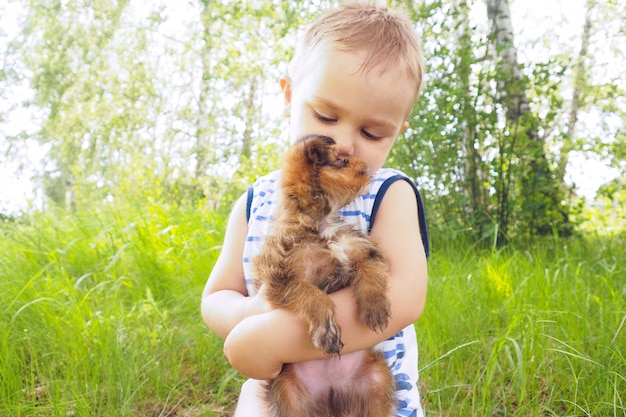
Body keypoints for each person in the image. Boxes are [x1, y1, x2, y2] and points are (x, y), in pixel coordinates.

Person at [201, 2, 430, 416]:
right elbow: (218, 294)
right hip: (290, 393)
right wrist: (251, 314)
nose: (344, 143)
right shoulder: (255, 202)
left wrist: (276, 337)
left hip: (367, 395)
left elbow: (407, 295)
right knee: (252, 402)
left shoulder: (389, 193)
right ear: (290, 96)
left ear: (398, 132)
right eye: (326, 115)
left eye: (372, 132)